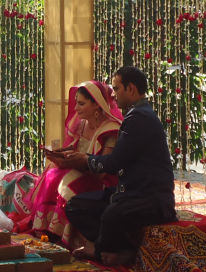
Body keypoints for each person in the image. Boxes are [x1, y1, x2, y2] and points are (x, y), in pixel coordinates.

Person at [60, 66, 176, 266]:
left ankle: (108, 251)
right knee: (75, 206)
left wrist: (85, 160)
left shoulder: (140, 118)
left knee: (111, 215)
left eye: (117, 88)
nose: (113, 95)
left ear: (131, 89)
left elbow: (114, 163)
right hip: (131, 191)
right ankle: (110, 248)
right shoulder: (136, 115)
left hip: (150, 197)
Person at [17, 80, 123, 246]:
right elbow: (75, 147)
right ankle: (46, 229)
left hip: (101, 180)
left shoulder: (110, 129)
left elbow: (104, 168)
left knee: (65, 181)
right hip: (82, 169)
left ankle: (65, 236)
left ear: (97, 105)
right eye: (77, 103)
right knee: (52, 172)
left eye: (81, 104)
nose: (76, 108)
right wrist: (60, 154)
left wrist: (75, 161)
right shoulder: (82, 123)